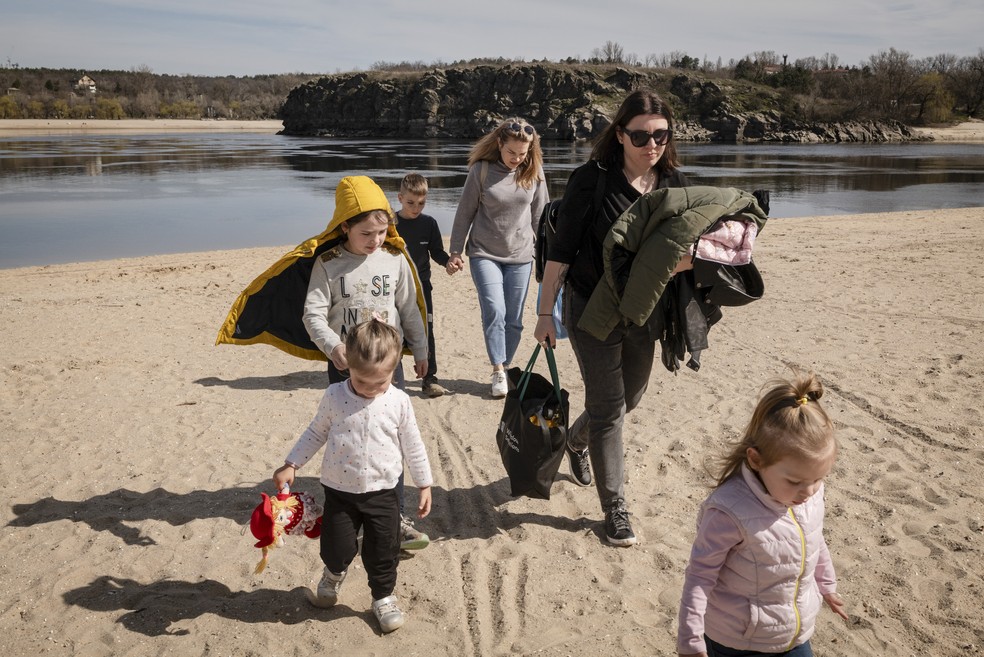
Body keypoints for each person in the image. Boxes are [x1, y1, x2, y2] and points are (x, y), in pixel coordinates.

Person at [533, 90, 691, 546]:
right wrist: (544, 313)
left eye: (661, 135)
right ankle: (615, 509)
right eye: (640, 135)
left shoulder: (675, 183)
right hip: (590, 308)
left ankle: (575, 441)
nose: (651, 144)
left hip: (644, 310)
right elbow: (560, 253)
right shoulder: (591, 180)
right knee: (607, 409)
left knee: (629, 399)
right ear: (620, 135)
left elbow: (687, 250)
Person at [272, 319, 433, 634]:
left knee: (384, 550)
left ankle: (383, 597)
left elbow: (413, 444)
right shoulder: (335, 395)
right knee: (336, 546)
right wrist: (292, 464)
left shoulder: (399, 401)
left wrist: (424, 483)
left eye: (380, 382)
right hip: (340, 491)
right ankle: (333, 574)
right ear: (348, 367)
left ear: (394, 370)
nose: (371, 389)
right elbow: (316, 432)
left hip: (384, 493)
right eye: (362, 381)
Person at [676, 371, 849, 656]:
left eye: (818, 479)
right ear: (756, 460)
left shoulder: (808, 496)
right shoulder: (729, 511)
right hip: (737, 641)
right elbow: (699, 577)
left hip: (794, 635)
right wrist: (690, 640)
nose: (808, 491)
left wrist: (827, 585)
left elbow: (814, 538)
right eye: (795, 481)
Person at [303, 174, 431, 551]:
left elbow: (409, 309)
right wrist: (333, 347)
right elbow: (313, 314)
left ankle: (396, 517)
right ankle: (348, 509)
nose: (376, 240)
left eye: (382, 232)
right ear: (345, 226)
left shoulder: (394, 260)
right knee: (348, 436)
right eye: (366, 234)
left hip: (388, 366)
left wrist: (421, 350)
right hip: (345, 365)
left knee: (391, 437)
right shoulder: (328, 264)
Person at [449, 117, 548, 398]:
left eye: (522, 153)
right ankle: (497, 369)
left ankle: (505, 365)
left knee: (514, 319)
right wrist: (455, 251)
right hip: (484, 253)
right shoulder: (480, 170)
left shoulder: (534, 172)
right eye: (511, 152)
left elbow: (541, 217)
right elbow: (464, 213)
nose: (516, 158)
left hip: (521, 255)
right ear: (499, 144)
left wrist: (548, 255)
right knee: (495, 309)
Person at [394, 172, 452, 398]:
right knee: (393, 330)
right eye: (410, 203)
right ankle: (392, 377)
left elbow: (436, 252)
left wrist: (448, 262)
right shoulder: (390, 223)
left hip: (422, 287)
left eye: (421, 203)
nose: (416, 208)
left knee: (427, 331)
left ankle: (430, 380)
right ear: (400, 198)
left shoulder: (429, 223)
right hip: (394, 287)